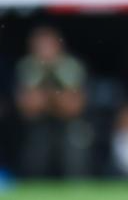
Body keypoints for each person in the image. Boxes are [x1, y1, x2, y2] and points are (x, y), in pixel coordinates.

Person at [14, 26, 90, 178]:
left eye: (48, 46)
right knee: (36, 148)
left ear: (58, 46)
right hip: (38, 125)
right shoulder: (27, 66)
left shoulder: (70, 66)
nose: (44, 51)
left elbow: (74, 108)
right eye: (39, 46)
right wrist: (55, 98)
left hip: (68, 124)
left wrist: (47, 98)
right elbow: (28, 109)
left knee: (76, 143)